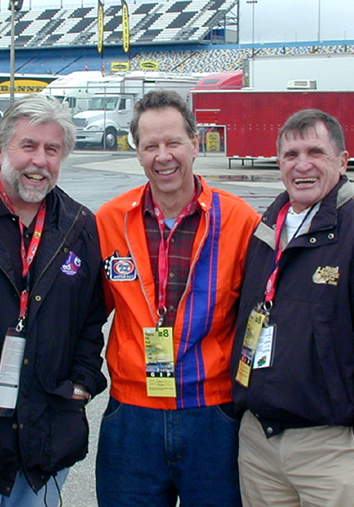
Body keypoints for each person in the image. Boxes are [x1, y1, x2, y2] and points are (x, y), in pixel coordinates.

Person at [230, 109, 354, 506]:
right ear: (279, 163)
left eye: (315, 152)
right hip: (259, 446)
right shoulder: (265, 232)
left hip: (331, 451)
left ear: (342, 161)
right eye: (290, 155)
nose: (302, 165)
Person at [0, 94, 107, 507]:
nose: (39, 161)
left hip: (46, 428)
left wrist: (81, 384)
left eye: (52, 150)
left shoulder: (79, 225)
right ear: (0, 150)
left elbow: (91, 318)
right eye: (27, 145)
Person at [94, 90, 261, 506]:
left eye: (173, 142)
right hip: (132, 415)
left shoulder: (241, 221)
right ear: (138, 152)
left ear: (195, 142)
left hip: (213, 415)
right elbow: (82, 313)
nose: (162, 156)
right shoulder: (110, 221)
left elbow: (262, 316)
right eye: (150, 145)